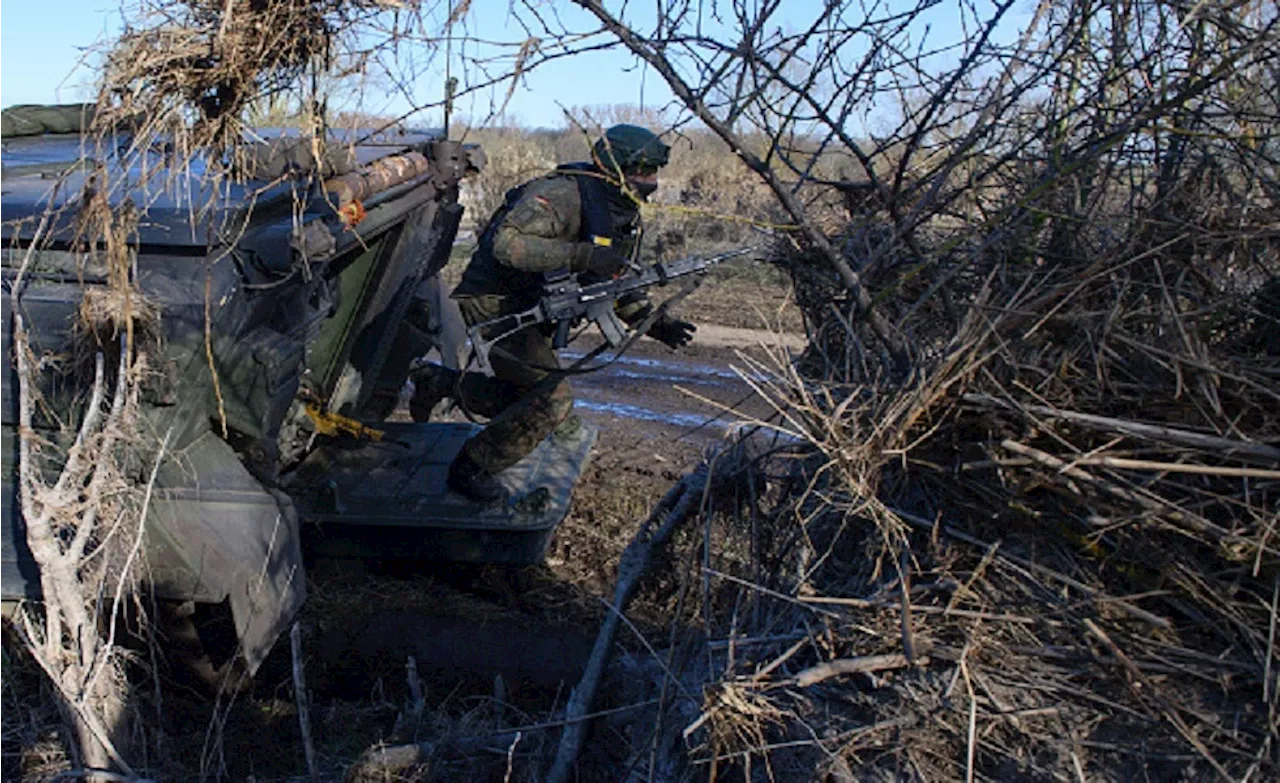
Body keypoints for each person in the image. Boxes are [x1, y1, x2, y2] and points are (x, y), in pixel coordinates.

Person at [412, 124, 697, 502]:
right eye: (640, 172)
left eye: (653, 172)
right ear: (612, 167)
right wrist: (581, 255)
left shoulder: (619, 210)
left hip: (535, 305)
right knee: (551, 400)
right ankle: (472, 467)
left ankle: (441, 383)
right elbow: (506, 244)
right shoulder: (563, 194)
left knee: (522, 397)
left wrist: (654, 321)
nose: (650, 181)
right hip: (495, 303)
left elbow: (612, 282)